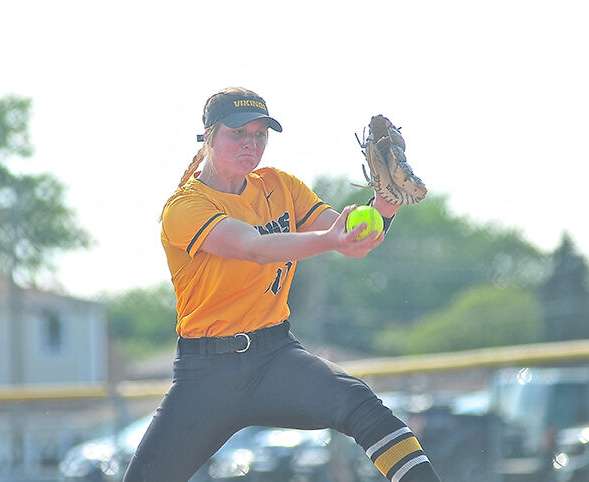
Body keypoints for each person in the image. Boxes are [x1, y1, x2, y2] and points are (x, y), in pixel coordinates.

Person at [123, 87, 441, 481]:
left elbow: (350, 241)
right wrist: (331, 240)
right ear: (208, 136)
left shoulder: (279, 186)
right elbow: (253, 247)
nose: (250, 143)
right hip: (207, 374)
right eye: (238, 133)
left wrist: (386, 203)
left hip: (274, 358)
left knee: (362, 406)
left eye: (260, 134)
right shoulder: (186, 206)